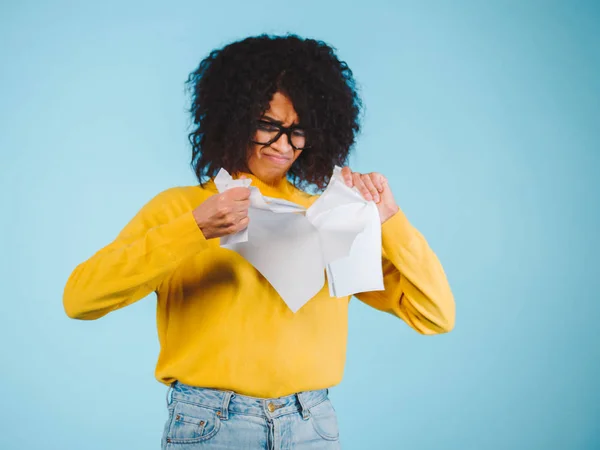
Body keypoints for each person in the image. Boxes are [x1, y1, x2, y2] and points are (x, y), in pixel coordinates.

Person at [63, 33, 455, 450]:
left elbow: (434, 315)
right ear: (233, 118)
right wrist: (192, 230)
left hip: (312, 426)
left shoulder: (330, 217)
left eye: (297, 131)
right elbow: (81, 300)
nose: (283, 145)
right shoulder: (181, 209)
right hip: (210, 425)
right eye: (268, 126)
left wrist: (389, 220)